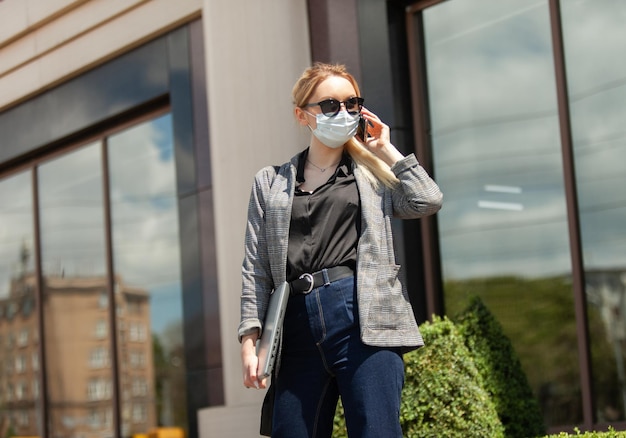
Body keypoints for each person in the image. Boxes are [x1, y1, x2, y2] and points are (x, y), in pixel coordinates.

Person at [238, 62, 443, 438]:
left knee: (376, 431)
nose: (344, 113)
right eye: (330, 105)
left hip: (363, 315)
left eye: (352, 103)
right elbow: (256, 268)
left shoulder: (371, 175)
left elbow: (426, 200)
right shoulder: (270, 183)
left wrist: (385, 148)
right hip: (296, 321)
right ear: (303, 115)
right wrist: (251, 342)